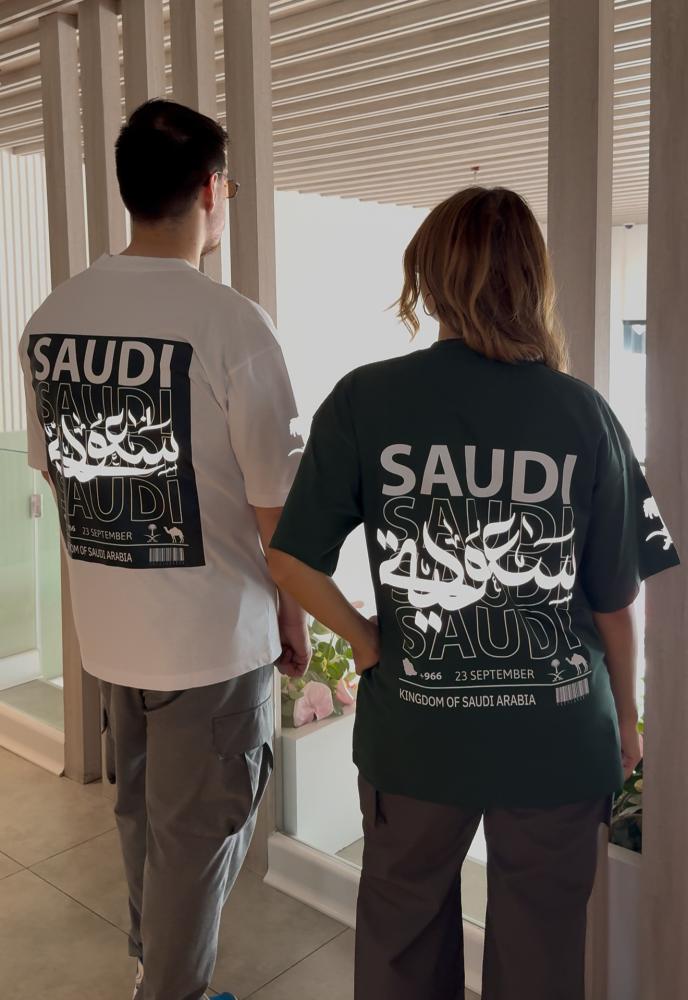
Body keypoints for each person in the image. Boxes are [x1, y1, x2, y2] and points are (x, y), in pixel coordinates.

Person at [267, 187, 680, 1000]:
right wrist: (628, 721)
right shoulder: (587, 414)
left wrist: (365, 639)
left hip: (417, 734)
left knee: (400, 942)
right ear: (534, 280)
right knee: (541, 954)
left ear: (427, 278)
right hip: (558, 739)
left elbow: (290, 561)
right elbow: (615, 600)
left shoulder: (364, 398)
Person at [19, 99, 310, 1000]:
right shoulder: (233, 325)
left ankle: (152, 968)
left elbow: (62, 477)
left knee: (142, 818)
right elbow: (277, 512)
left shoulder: (51, 320)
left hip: (112, 636)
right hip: (211, 642)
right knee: (199, 839)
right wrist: (295, 616)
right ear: (212, 191)